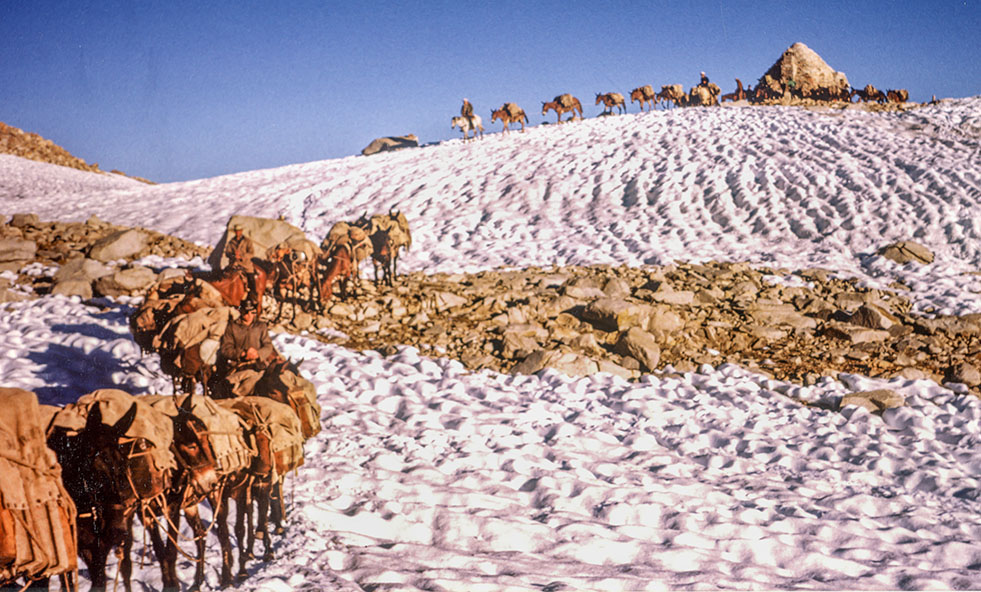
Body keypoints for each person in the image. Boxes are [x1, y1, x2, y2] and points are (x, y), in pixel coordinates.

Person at [216, 299, 279, 397]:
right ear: (240, 311)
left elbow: (268, 345)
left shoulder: (261, 326)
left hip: (258, 364)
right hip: (238, 365)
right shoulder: (232, 326)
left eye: (252, 312)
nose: (249, 316)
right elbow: (225, 349)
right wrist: (242, 354)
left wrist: (258, 353)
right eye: (246, 312)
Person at [223, 224, 257, 301]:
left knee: (251, 278)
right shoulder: (231, 242)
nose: (238, 232)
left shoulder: (247, 241)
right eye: (236, 231)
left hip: (245, 264)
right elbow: (227, 253)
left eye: (239, 231)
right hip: (234, 264)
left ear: (241, 231)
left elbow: (251, 253)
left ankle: (253, 297)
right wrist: (233, 255)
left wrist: (241, 256)